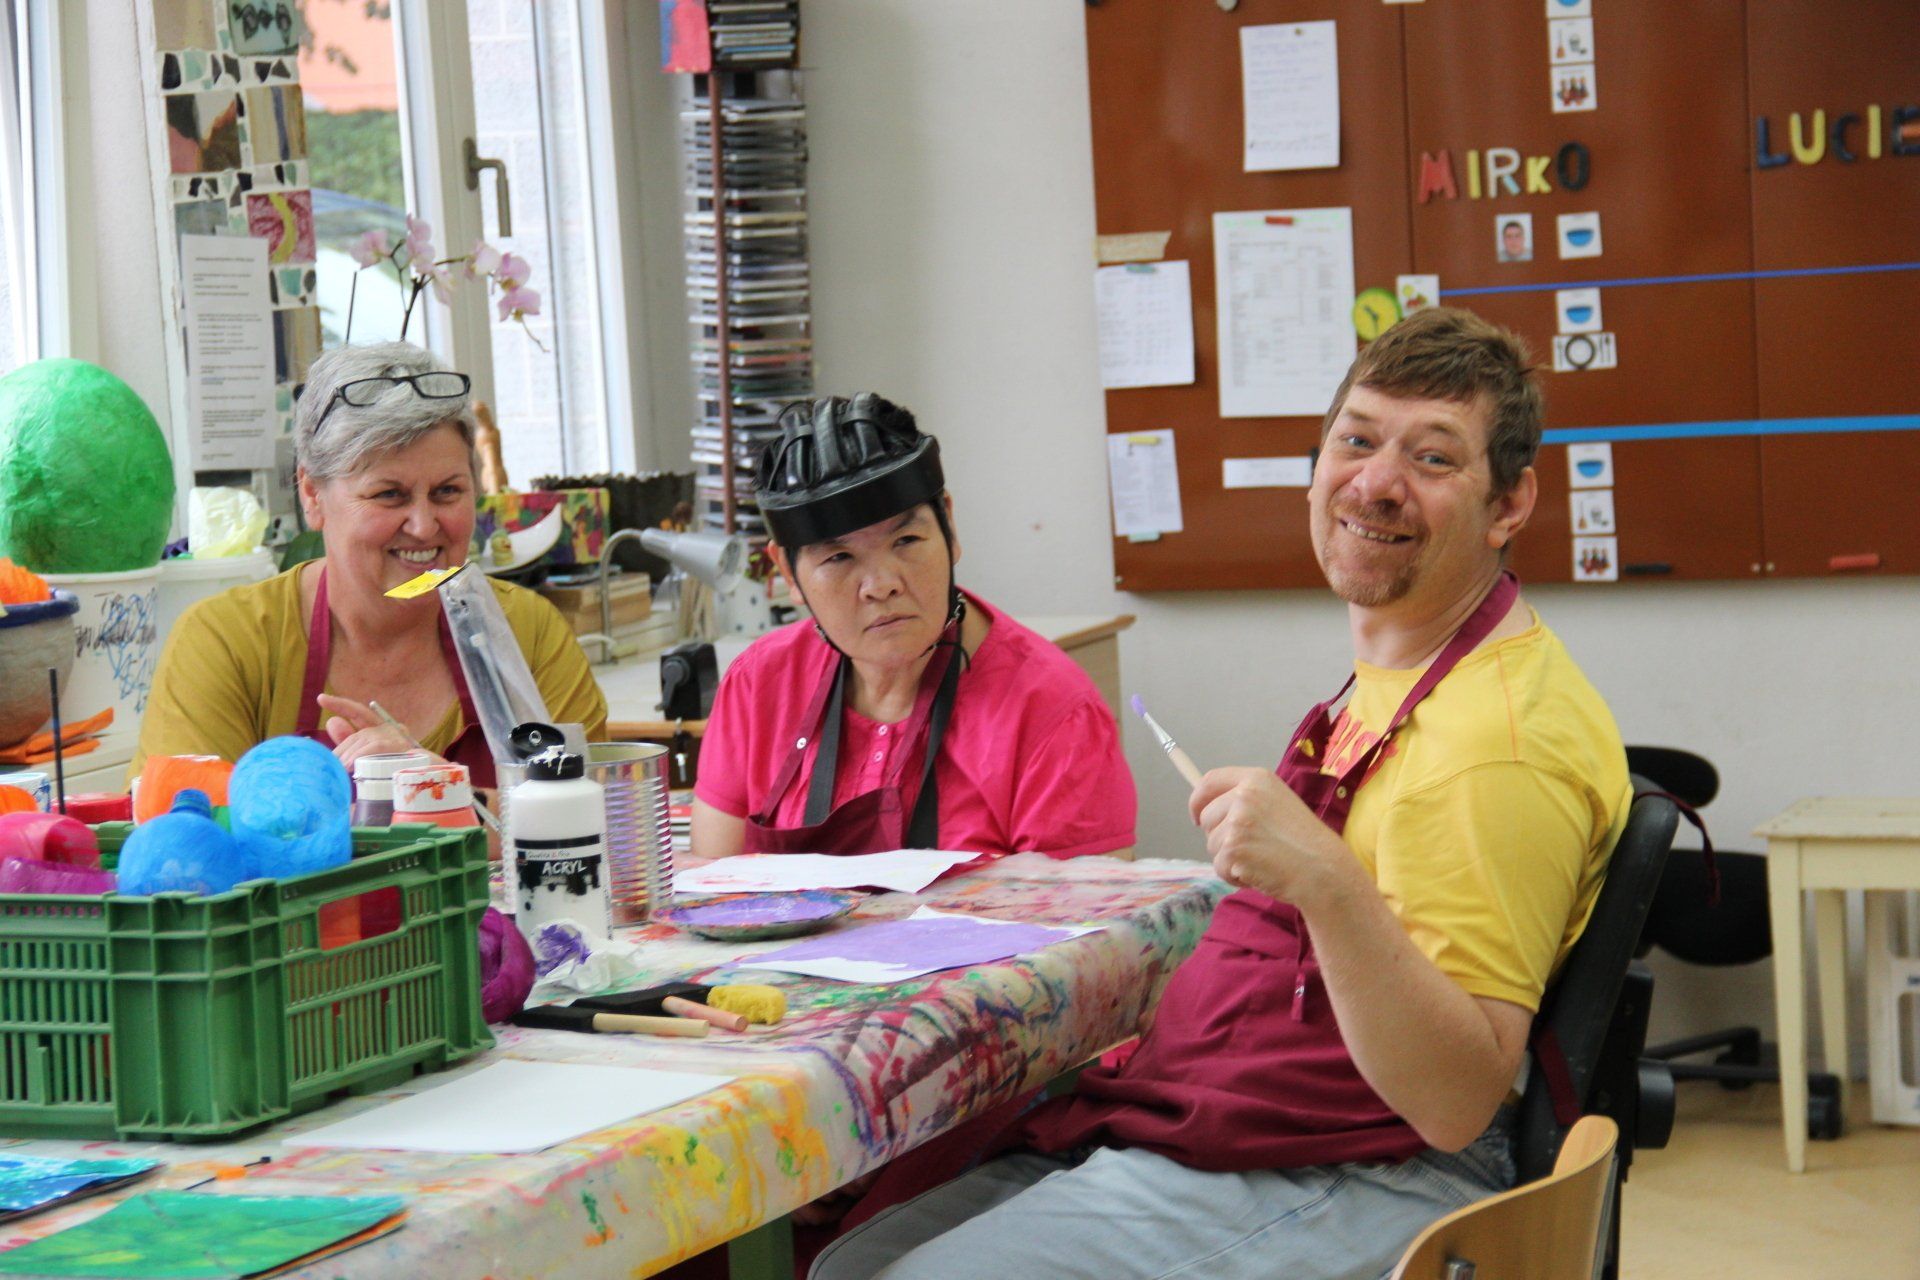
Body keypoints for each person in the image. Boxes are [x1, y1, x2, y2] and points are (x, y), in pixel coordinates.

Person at [810, 309, 1633, 1280]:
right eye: (1357, 439)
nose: (1374, 481)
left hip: (1384, 1168)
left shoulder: (1493, 747)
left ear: (1509, 503)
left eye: (1434, 457)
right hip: (1259, 1125)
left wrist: (1324, 879)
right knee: (852, 1260)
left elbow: (1453, 1100)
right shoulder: (1404, 674)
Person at [136, 342, 607, 784]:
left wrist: (435, 792)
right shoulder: (227, 645)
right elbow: (183, 842)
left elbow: (595, 815)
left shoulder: (525, 633)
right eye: (389, 495)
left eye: (448, 491)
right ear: (312, 496)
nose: (424, 526)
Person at [692, 393, 1134, 863]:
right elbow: (714, 894)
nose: (881, 586)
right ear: (788, 574)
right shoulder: (758, 686)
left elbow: (1090, 929)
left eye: (906, 540)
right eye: (839, 557)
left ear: (950, 527)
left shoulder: (1052, 713)